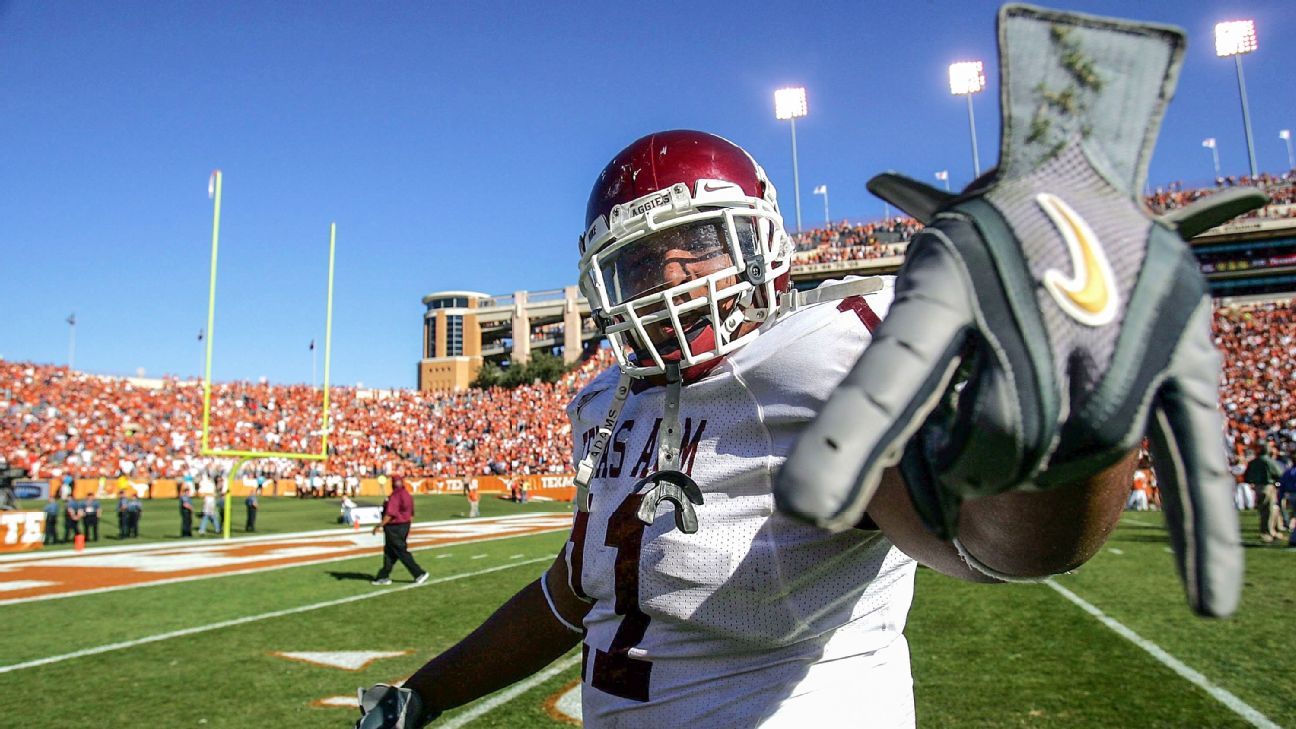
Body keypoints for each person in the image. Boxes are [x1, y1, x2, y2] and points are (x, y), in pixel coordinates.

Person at [354, 129, 1147, 727]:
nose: (667, 276)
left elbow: (995, 545)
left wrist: (1087, 400)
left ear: (760, 244)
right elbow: (570, 596)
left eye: (695, 244)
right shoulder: (604, 401)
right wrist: (423, 695)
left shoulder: (828, 355)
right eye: (639, 262)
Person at [370, 475, 428, 586]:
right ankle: (383, 576)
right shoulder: (407, 494)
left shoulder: (395, 495)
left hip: (394, 527)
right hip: (404, 525)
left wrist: (379, 525)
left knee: (400, 551)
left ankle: (419, 573)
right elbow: (411, 514)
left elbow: (390, 514)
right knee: (390, 553)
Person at [1244, 442, 1285, 542]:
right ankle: (1267, 532)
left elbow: (1247, 476)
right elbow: (1279, 473)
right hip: (1268, 486)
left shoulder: (1253, 462)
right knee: (1269, 510)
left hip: (1258, 487)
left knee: (1264, 510)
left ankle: (1271, 531)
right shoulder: (1268, 461)